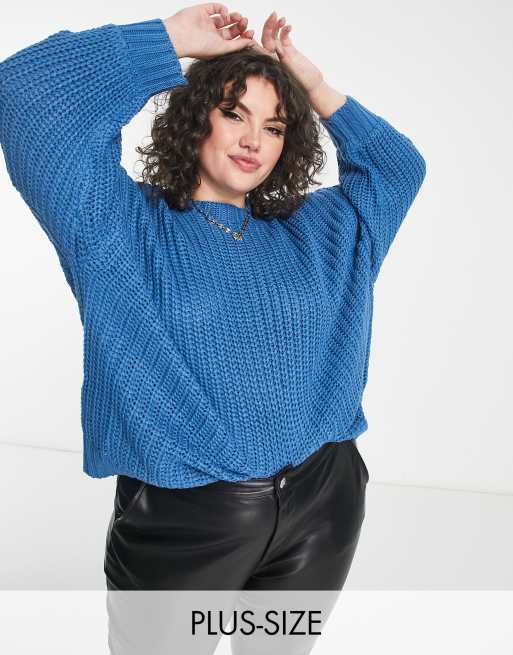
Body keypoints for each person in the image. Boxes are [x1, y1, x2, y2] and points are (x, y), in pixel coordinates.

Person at [0, 3, 426, 653]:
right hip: (188, 520)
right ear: (195, 116)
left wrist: (312, 85)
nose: (254, 138)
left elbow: (398, 168)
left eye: (274, 125)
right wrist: (170, 39)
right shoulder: (115, 225)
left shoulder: (322, 230)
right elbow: (26, 95)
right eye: (233, 112)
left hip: (321, 503)